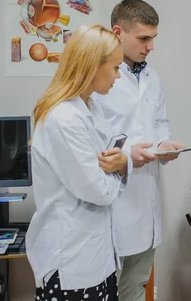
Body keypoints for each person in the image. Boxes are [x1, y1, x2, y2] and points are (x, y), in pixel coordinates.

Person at [27, 24, 132, 300]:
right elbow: (99, 191)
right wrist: (118, 169)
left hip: (96, 255)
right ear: (91, 66)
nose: (118, 77)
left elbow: (112, 160)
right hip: (72, 260)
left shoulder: (89, 106)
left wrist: (121, 164)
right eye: (115, 68)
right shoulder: (63, 119)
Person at [93, 0, 185, 301]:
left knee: (136, 286)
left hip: (147, 202)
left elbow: (160, 123)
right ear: (118, 31)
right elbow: (89, 141)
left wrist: (164, 145)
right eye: (143, 38)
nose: (150, 46)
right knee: (106, 289)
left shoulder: (151, 77)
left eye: (153, 38)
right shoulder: (96, 78)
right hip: (112, 202)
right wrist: (129, 155)